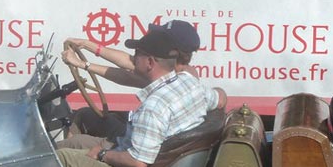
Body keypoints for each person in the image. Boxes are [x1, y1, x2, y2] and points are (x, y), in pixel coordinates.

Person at [56, 30, 222, 167]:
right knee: (69, 144)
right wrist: (86, 49)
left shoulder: (154, 107)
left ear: (150, 62)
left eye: (137, 54)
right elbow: (220, 98)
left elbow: (138, 161)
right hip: (137, 150)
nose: (133, 58)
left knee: (55, 158)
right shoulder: (189, 82)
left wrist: (103, 154)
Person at [60, 20, 225, 141]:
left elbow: (126, 75)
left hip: (137, 140)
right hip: (148, 134)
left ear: (170, 47)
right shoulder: (182, 73)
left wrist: (82, 64)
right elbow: (129, 62)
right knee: (87, 115)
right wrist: (87, 45)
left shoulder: (169, 77)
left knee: (81, 122)